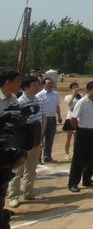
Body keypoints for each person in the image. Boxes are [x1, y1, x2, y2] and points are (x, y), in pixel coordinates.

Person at [8, 76, 44, 208]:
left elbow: (41, 120)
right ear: (25, 87)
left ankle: (29, 192)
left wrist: (41, 138)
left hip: (35, 139)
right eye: (34, 85)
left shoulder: (39, 100)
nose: (37, 87)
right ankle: (13, 196)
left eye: (37, 85)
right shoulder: (18, 102)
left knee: (31, 168)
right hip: (22, 141)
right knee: (18, 170)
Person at [67, 81, 93, 193]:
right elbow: (73, 119)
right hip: (82, 131)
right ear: (88, 90)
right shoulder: (81, 102)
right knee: (78, 158)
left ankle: (87, 179)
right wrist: (78, 130)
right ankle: (73, 182)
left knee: (91, 156)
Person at [0, 69, 21, 226]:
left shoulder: (13, 98)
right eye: (17, 81)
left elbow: (16, 120)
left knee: (4, 180)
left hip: (5, 147)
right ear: (8, 83)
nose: (20, 84)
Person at [37, 77, 62, 163]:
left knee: (50, 139)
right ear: (43, 84)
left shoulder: (55, 94)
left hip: (52, 119)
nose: (50, 85)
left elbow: (57, 106)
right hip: (42, 120)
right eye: (48, 83)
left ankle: (47, 157)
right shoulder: (39, 95)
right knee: (40, 139)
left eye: (51, 83)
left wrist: (59, 116)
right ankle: (38, 158)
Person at [63, 82, 82, 159]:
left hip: (78, 119)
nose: (75, 89)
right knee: (69, 137)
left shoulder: (81, 96)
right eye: (74, 88)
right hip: (70, 118)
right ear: (70, 89)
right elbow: (69, 103)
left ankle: (76, 152)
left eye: (76, 87)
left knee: (77, 138)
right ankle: (67, 153)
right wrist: (73, 95)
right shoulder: (68, 96)